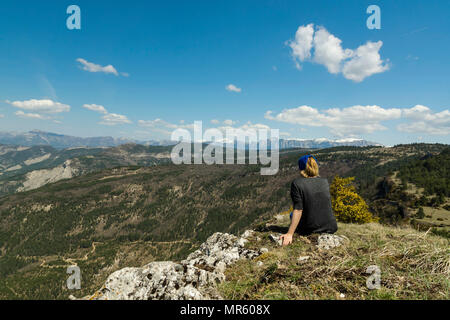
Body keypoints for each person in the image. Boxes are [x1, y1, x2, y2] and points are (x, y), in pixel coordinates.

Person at [280, 155, 337, 246]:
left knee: (292, 215)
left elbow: (298, 209)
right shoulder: (324, 181)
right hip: (331, 227)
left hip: (309, 229)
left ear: (301, 168)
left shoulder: (297, 183)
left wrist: (289, 234)